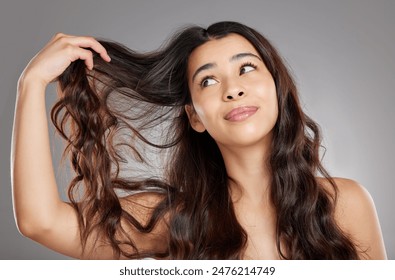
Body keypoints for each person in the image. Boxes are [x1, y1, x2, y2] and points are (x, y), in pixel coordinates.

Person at [11, 21, 387, 260]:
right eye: (208, 80)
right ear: (195, 117)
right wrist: (30, 84)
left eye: (246, 68)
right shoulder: (176, 218)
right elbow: (41, 223)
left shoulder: (346, 204)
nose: (233, 90)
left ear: (278, 90)